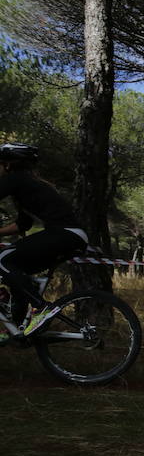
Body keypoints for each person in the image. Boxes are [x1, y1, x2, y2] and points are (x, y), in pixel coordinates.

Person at [0, 143, 88, 343]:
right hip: (70, 236)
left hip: (64, 234)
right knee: (16, 270)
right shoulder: (27, 185)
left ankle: (41, 308)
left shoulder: (15, 179)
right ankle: (17, 328)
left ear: (7, 165)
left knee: (2, 259)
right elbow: (22, 225)